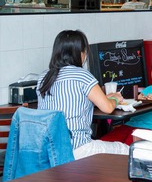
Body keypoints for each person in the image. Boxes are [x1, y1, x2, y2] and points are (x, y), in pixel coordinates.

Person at [36, 30, 128, 160]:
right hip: (78, 149)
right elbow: (107, 108)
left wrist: (102, 98)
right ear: (80, 53)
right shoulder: (82, 75)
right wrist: (115, 98)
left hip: (49, 151)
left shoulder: (44, 77)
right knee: (126, 150)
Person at [101, 54, 152, 145]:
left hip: (150, 129)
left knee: (127, 149)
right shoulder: (147, 89)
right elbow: (133, 108)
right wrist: (137, 101)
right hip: (130, 125)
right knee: (103, 143)